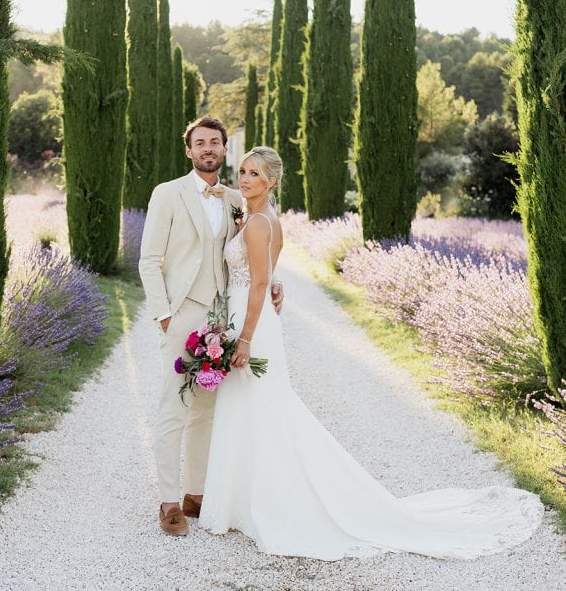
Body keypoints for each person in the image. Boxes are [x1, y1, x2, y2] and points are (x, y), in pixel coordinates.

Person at [199, 146, 544, 560]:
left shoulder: (257, 223)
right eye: (244, 172)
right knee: (257, 407)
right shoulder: (262, 217)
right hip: (252, 320)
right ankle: (245, 501)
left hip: (251, 324)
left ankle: (266, 503)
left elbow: (258, 284)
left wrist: (246, 338)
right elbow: (269, 275)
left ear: (272, 181)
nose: (246, 178)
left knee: (261, 407)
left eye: (255, 174)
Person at [138, 118, 284, 537]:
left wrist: (275, 283)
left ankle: (195, 493)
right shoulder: (167, 194)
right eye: (199, 143)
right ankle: (168, 502)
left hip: (222, 318)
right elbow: (149, 260)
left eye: (214, 143)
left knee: (205, 409)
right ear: (189, 151)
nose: (207, 149)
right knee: (172, 408)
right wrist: (164, 314)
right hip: (182, 313)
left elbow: (256, 254)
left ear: (224, 150)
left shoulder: (237, 199)